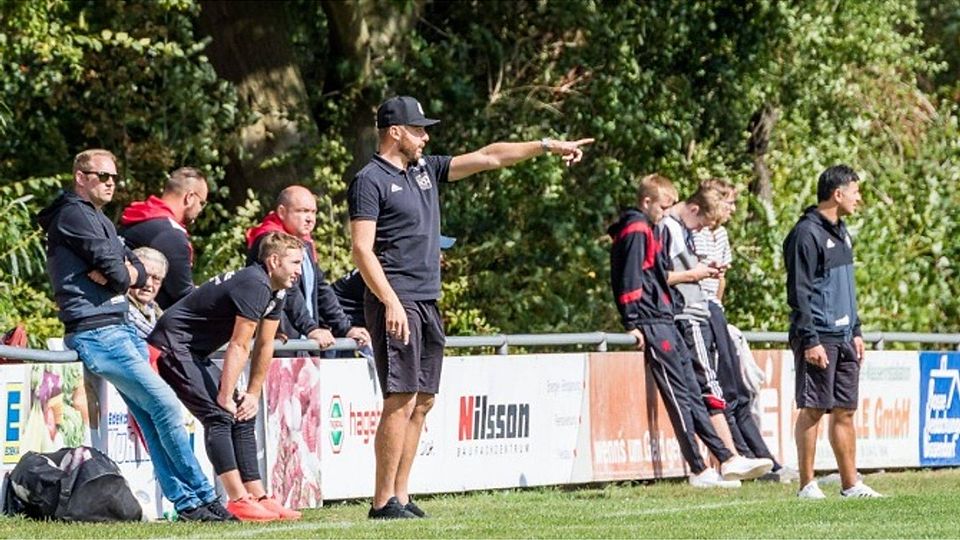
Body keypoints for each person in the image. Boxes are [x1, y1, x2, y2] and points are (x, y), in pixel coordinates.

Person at [349, 95, 593, 519]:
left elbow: (490, 156)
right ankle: (381, 501)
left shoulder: (424, 170)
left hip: (428, 299)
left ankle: (402, 497)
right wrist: (389, 301)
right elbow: (361, 250)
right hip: (397, 299)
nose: (426, 137)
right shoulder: (369, 180)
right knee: (400, 398)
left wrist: (548, 146)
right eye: (419, 129)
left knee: (423, 400)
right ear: (395, 132)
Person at [37, 149, 228, 521]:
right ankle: (205, 497)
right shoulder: (73, 214)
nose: (110, 183)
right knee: (167, 408)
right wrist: (121, 271)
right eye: (102, 176)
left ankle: (189, 503)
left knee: (153, 416)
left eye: (113, 177)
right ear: (80, 176)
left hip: (118, 328)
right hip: (98, 332)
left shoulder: (98, 218)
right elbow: (122, 272)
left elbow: (137, 264)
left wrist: (123, 271)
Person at [608, 174, 770, 489]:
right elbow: (628, 280)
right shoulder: (637, 229)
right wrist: (631, 321)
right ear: (647, 202)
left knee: (693, 391)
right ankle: (698, 468)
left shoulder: (650, 228)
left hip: (664, 316)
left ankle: (725, 457)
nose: (666, 213)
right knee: (679, 395)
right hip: (652, 321)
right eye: (664, 206)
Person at [148, 232, 305, 521]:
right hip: (172, 344)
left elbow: (264, 344)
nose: (299, 271)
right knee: (219, 414)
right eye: (295, 262)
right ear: (273, 261)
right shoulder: (255, 283)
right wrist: (224, 394)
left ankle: (258, 495)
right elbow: (239, 344)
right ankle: (238, 499)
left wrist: (253, 393)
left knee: (243, 413)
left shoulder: (277, 289)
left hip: (195, 351)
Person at [784, 164, 882, 498]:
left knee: (845, 410)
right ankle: (806, 485)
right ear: (837, 194)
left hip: (844, 337)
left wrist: (856, 329)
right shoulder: (805, 234)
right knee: (813, 409)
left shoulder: (843, 232)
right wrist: (810, 339)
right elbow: (799, 292)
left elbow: (846, 288)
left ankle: (850, 484)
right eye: (856, 191)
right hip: (818, 336)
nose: (859, 198)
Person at [692, 179, 796, 482]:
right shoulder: (693, 234)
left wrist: (719, 309)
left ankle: (765, 459)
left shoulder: (720, 234)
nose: (733, 209)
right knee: (721, 389)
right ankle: (741, 456)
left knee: (737, 389)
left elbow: (721, 278)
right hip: (699, 311)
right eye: (729, 203)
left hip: (714, 309)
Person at [245, 185, 370, 352]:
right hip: (278, 342)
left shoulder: (304, 243)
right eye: (303, 211)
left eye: (313, 212)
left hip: (302, 342)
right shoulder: (269, 242)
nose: (310, 218)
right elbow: (288, 290)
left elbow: (321, 288)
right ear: (282, 212)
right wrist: (311, 328)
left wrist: (345, 328)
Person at [119, 167, 209, 309]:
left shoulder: (139, 217)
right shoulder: (171, 236)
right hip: (143, 320)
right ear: (190, 197)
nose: (200, 209)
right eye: (202, 203)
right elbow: (183, 296)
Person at [127, 247, 169, 340]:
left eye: (156, 278)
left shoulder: (153, 308)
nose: (148, 283)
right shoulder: (123, 306)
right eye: (143, 275)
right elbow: (158, 338)